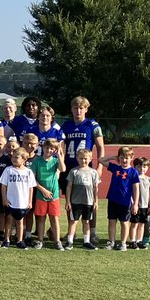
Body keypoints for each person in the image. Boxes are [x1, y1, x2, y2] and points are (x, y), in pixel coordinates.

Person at [61, 95, 105, 242]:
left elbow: (100, 148)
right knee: (70, 200)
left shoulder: (93, 125)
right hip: (70, 167)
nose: (78, 111)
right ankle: (71, 231)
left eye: (81, 108)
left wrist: (100, 167)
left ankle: (92, 232)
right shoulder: (66, 125)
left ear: (86, 109)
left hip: (87, 168)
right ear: (71, 109)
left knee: (90, 199)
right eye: (75, 108)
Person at [30, 137, 65, 250]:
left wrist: (59, 154)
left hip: (53, 196)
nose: (48, 150)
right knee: (40, 218)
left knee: (54, 218)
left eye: (52, 149)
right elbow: (33, 179)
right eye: (47, 147)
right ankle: (40, 240)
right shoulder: (37, 161)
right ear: (43, 147)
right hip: (41, 195)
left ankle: (57, 241)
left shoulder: (55, 161)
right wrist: (43, 190)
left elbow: (63, 169)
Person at [104, 146, 141, 251]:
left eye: (127, 158)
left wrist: (135, 204)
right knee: (111, 221)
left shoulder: (133, 172)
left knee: (124, 222)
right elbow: (101, 160)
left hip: (125, 201)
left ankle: (123, 243)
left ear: (132, 158)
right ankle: (111, 241)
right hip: (112, 199)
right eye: (122, 157)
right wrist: (113, 157)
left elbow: (136, 189)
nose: (124, 160)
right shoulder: (115, 168)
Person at [1, 148, 37, 249]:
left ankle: (19, 240)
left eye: (16, 157)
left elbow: (31, 188)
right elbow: (3, 185)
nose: (13, 159)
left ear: (24, 159)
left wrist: (30, 201)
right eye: (12, 157)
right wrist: (4, 198)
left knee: (20, 221)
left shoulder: (28, 172)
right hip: (11, 201)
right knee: (8, 220)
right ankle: (6, 240)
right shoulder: (8, 170)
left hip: (22, 202)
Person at [66, 147, 101, 250]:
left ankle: (86, 241)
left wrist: (96, 201)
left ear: (90, 159)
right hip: (76, 202)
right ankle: (69, 241)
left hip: (88, 202)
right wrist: (68, 201)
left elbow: (96, 188)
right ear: (77, 158)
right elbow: (69, 186)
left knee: (86, 222)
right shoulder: (74, 171)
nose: (83, 161)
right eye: (81, 158)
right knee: (73, 221)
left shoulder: (93, 172)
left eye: (86, 158)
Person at [130, 157, 150, 249]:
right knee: (134, 224)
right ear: (135, 167)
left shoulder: (149, 180)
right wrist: (133, 204)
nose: (142, 169)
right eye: (139, 166)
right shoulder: (133, 178)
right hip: (136, 206)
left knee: (142, 224)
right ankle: (132, 241)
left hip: (145, 206)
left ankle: (139, 240)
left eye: (144, 166)